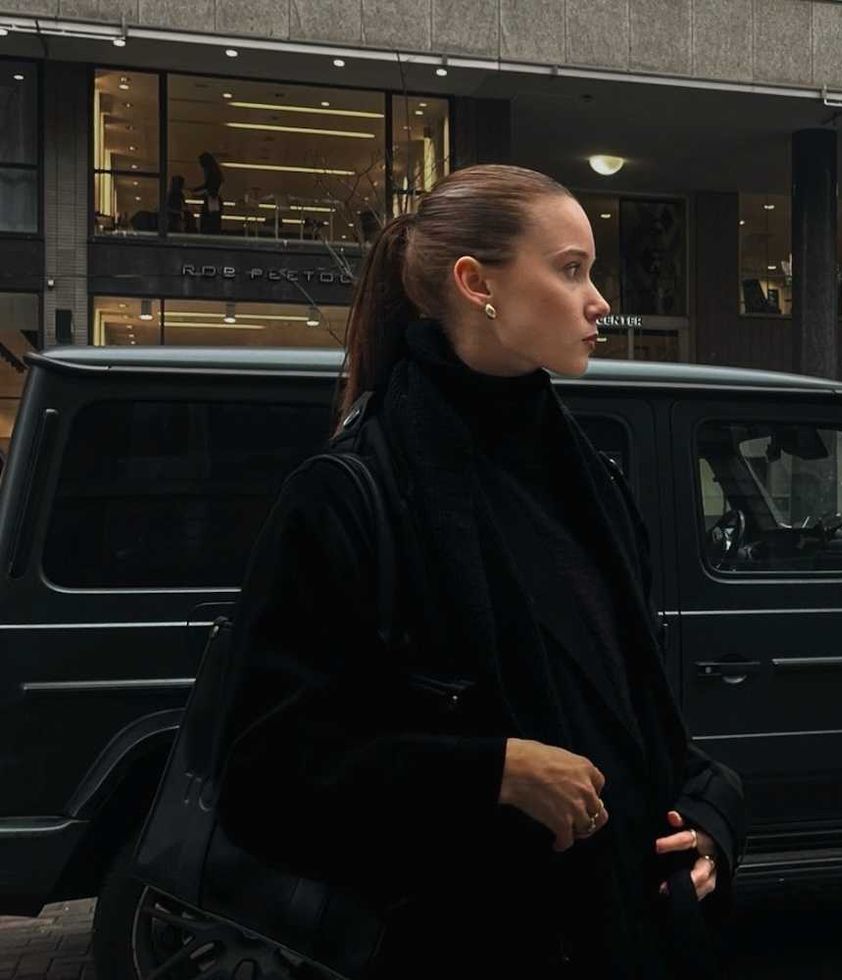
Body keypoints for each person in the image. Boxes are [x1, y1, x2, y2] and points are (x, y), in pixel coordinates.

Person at [217, 164, 746, 980]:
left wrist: (709, 820)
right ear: (476, 283)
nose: (599, 299)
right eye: (571, 269)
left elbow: (644, 726)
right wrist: (491, 772)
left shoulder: (592, 484)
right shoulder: (354, 494)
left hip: (635, 933)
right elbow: (264, 779)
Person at [193, 152, 223, 234]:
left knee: (208, 222)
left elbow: (209, 188)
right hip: (213, 200)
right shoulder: (215, 172)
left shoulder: (211, 173)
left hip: (212, 200)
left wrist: (196, 191)